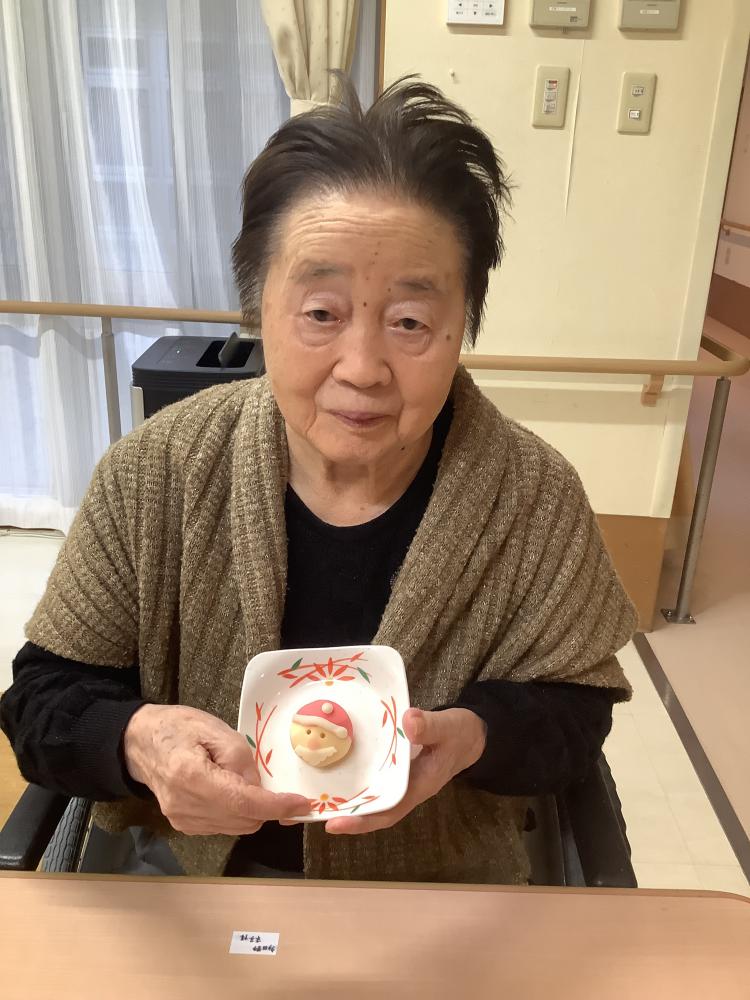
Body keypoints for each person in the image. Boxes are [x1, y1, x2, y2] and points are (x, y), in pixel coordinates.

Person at [0, 77, 636, 884]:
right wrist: (136, 744)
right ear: (258, 308)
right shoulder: (154, 471)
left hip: (437, 892)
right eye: (322, 313)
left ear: (463, 325)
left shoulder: (534, 497)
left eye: (410, 321)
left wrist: (478, 735)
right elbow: (44, 703)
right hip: (193, 885)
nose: (362, 368)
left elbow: (574, 714)